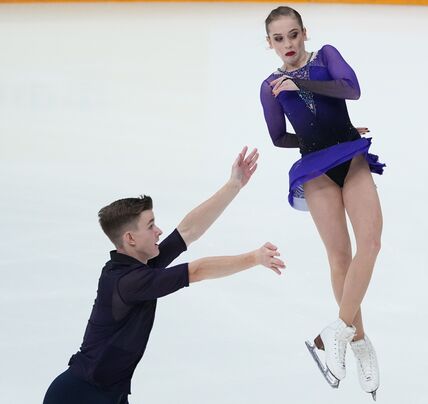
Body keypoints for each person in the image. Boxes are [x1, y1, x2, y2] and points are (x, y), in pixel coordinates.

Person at [43, 147, 286, 404]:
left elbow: (188, 231)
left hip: (109, 394)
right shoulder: (130, 282)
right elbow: (197, 270)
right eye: (150, 226)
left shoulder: (138, 265)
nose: (159, 231)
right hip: (78, 396)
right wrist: (254, 258)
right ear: (130, 238)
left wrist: (234, 185)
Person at [260, 6, 384, 400]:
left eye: (293, 34)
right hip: (315, 169)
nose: (288, 44)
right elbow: (279, 137)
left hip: (350, 156)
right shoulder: (269, 86)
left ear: (304, 33)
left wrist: (309, 93)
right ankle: (360, 343)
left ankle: (337, 330)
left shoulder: (326, 56)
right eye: (279, 39)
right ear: (270, 43)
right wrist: (314, 140)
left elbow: (352, 89)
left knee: (372, 243)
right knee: (339, 259)